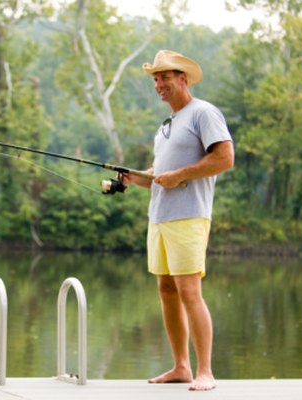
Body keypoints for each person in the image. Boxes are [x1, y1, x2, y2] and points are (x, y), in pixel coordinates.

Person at [122, 50, 234, 391]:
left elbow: (225, 158)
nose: (159, 84)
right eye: (155, 79)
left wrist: (180, 174)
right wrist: (133, 177)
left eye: (165, 78)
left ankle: (206, 372)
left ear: (183, 78)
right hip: (159, 218)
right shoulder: (167, 125)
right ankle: (181, 367)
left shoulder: (203, 113)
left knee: (189, 291)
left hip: (189, 216)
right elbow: (160, 175)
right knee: (166, 289)